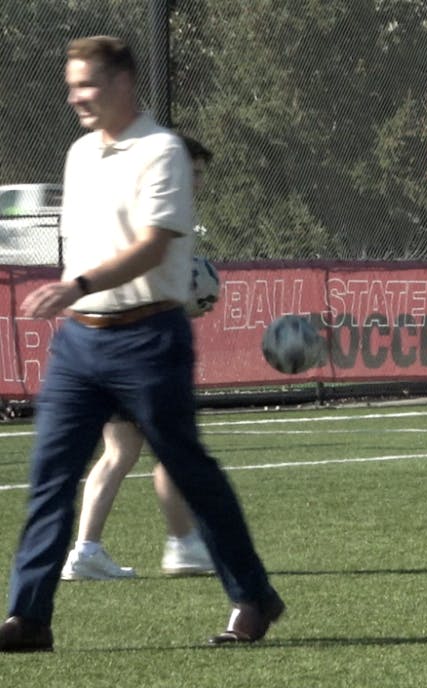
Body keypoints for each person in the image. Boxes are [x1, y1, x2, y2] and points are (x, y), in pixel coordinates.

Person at [0, 35, 283, 653]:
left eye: (89, 83)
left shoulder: (163, 151)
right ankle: (29, 618)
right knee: (50, 475)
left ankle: (253, 599)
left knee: (187, 471)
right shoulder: (78, 154)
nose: (76, 96)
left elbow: (154, 246)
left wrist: (74, 286)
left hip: (149, 336)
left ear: (124, 83)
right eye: (73, 84)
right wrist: (77, 298)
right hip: (81, 343)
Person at [60, 135, 217, 582]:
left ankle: (86, 550)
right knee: (169, 447)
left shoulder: (144, 203)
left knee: (119, 452)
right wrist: (182, 300)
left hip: (108, 341)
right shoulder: (159, 209)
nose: (200, 182)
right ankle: (183, 545)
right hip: (137, 345)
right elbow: (142, 274)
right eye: (196, 172)